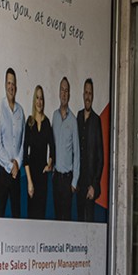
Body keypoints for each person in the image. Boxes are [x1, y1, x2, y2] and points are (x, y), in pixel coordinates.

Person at [0, 67, 24, 218]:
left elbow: (23, 142)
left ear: (16, 87)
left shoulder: (21, 111)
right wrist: (10, 165)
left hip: (16, 173)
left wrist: (17, 163)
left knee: (16, 215)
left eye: (13, 84)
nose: (11, 87)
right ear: (5, 85)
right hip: (3, 173)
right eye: (9, 83)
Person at [51, 76, 81, 222]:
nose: (64, 93)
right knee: (57, 219)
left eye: (66, 91)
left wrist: (74, 181)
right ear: (59, 93)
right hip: (56, 178)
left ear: (69, 95)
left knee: (66, 220)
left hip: (67, 181)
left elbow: (77, 153)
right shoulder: (54, 117)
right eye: (62, 90)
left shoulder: (73, 121)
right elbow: (51, 145)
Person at [75, 78, 105, 222]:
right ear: (83, 95)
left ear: (93, 96)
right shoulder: (78, 117)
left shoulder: (96, 120)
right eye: (86, 93)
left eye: (90, 93)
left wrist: (94, 184)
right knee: (79, 224)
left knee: (89, 226)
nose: (88, 96)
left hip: (90, 186)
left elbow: (100, 158)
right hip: (78, 184)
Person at [23, 84, 53, 219]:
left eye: (41, 98)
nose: (39, 101)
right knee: (31, 215)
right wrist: (29, 182)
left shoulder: (47, 123)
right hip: (32, 175)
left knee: (41, 214)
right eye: (37, 98)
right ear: (34, 100)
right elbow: (25, 154)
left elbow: (52, 148)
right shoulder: (29, 122)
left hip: (43, 176)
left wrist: (49, 164)